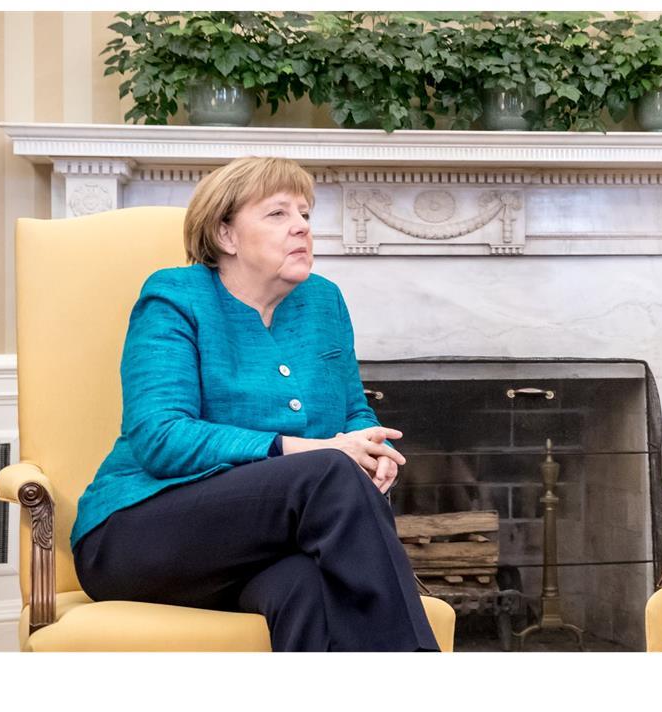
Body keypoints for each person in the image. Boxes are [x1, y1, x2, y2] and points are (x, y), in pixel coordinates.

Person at [70, 157, 438, 652]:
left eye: (306, 214)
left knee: (306, 588)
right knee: (329, 470)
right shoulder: (175, 297)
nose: (301, 227)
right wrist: (305, 448)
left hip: (252, 551)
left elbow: (352, 410)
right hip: (137, 537)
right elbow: (160, 438)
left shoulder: (323, 301)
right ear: (226, 235)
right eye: (278, 214)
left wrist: (369, 446)